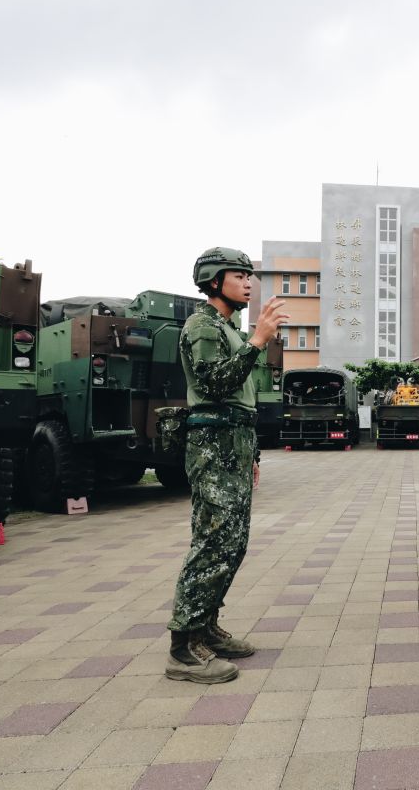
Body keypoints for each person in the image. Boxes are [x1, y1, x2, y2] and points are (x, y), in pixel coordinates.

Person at [166, 247, 288, 683]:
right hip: (213, 442)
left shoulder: (225, 327)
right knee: (213, 541)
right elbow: (215, 383)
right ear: (215, 281)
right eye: (240, 275)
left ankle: (207, 628)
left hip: (234, 441)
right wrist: (258, 340)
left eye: (250, 275)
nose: (249, 282)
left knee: (233, 542)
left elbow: (243, 398)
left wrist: (251, 454)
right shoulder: (202, 326)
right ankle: (184, 646)